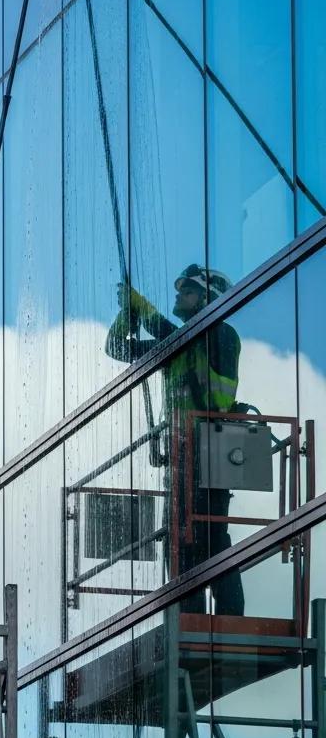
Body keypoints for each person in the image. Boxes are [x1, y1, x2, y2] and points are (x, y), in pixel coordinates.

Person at [106, 263, 243, 615]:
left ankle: (228, 616)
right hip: (183, 455)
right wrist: (128, 312)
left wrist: (144, 308)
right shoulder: (182, 343)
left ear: (206, 299)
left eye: (187, 291)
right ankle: (188, 616)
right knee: (178, 539)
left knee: (209, 537)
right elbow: (117, 348)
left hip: (210, 451)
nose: (178, 297)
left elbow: (182, 339)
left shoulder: (219, 335)